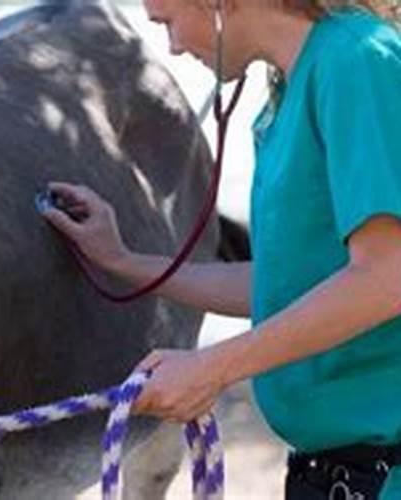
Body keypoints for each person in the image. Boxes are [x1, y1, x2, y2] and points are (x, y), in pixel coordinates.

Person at [41, 0, 401, 498]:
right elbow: (290, 283)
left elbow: (387, 278)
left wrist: (215, 368)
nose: (173, 46)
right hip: (336, 475)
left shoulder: (357, 60)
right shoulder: (293, 86)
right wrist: (129, 263)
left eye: (168, 21)